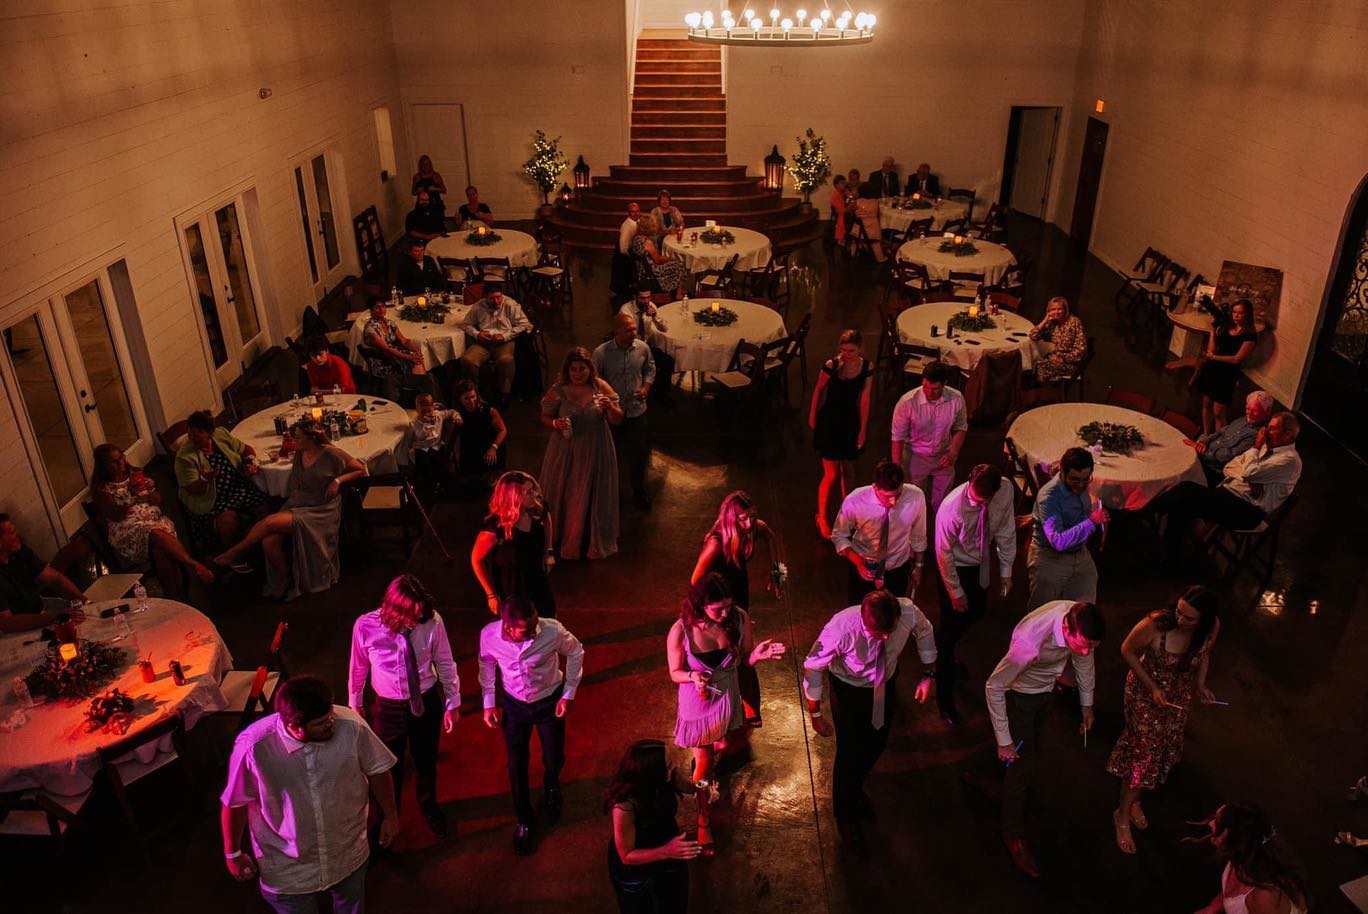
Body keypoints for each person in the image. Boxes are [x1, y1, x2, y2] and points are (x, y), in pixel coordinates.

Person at [222, 675, 398, 913]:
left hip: (347, 849)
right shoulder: (255, 746)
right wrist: (232, 852)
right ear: (293, 726)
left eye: (330, 715)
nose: (332, 722)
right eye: (322, 722)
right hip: (288, 866)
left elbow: (378, 770)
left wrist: (390, 815)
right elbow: (234, 802)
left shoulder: (351, 726)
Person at [803, 589, 937, 857]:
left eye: (890, 631)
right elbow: (813, 664)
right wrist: (815, 714)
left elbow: (925, 630)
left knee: (877, 743)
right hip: (849, 691)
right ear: (864, 620)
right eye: (879, 634)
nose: (886, 638)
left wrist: (929, 673)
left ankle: (853, 788)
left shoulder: (908, 610)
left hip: (884, 685)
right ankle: (846, 815)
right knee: (849, 754)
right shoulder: (841, 627)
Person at [985, 599, 1104, 877]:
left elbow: (1085, 662)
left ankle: (1000, 785)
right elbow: (994, 686)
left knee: (1027, 751)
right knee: (1022, 766)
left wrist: (1087, 704)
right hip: (1019, 698)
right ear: (1066, 628)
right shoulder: (1029, 644)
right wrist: (1004, 740)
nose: (1086, 652)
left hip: (1045, 692)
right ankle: (1012, 833)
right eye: (1083, 644)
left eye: (1093, 647)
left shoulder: (1078, 617)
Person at [667, 574, 785, 853]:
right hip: (698, 702)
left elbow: (743, 660)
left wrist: (756, 656)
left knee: (724, 740)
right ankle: (703, 818)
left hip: (727, 693)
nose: (725, 613)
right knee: (704, 762)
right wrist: (693, 675)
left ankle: (708, 773)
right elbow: (675, 673)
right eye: (717, 609)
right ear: (699, 605)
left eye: (728, 606)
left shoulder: (739, 618)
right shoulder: (680, 631)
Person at [1106, 586, 1221, 854]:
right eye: (1178, 612)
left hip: (1177, 695)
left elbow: (1204, 653)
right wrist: (1152, 687)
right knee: (1142, 754)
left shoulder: (1212, 627)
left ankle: (1134, 801)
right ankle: (1121, 816)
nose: (1180, 620)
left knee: (1161, 749)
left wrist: (1201, 684)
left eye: (1189, 618)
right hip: (1144, 692)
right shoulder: (1156, 624)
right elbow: (1127, 650)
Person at [348, 574, 460, 839]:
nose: (415, 621)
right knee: (387, 767)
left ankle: (429, 806)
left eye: (419, 614)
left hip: (424, 700)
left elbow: (445, 661)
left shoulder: (432, 621)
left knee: (425, 760)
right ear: (393, 608)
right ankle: (387, 817)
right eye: (410, 615)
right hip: (387, 707)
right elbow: (358, 666)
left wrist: (453, 701)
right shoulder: (365, 626)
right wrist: (356, 703)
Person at [213, 418, 367, 600]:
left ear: (312, 438)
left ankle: (235, 553)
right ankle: (284, 579)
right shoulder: (300, 454)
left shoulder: (331, 454)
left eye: (299, 438)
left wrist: (337, 480)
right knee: (269, 542)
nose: (295, 441)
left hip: (320, 509)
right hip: (298, 502)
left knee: (269, 522)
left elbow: (360, 469)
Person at [478, 594, 585, 856]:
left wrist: (568, 692)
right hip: (514, 706)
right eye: (526, 630)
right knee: (516, 763)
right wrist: (489, 701)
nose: (534, 632)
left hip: (549, 701)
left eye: (535, 624)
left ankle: (551, 785)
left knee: (553, 756)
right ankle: (524, 818)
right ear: (507, 627)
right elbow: (487, 662)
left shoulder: (552, 630)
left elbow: (576, 651)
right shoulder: (489, 636)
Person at [690, 490, 784, 726]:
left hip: (739, 593)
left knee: (744, 650)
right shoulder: (716, 541)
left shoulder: (754, 528)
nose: (749, 522)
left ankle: (751, 709)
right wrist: (714, 609)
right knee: (729, 653)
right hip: (719, 598)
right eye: (743, 518)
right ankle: (724, 708)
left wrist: (778, 573)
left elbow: (771, 537)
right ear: (731, 518)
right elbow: (696, 580)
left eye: (752, 516)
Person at [933, 464, 1016, 726]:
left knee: (977, 610)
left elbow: (1005, 529)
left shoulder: (1005, 491)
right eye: (974, 497)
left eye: (983, 500)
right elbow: (943, 553)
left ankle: (944, 646)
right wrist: (955, 592)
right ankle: (944, 696)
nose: (976, 502)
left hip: (980, 564)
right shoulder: (950, 509)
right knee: (948, 632)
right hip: (954, 568)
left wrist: (1006, 570)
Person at [1156, 412, 1301, 560]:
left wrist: (1255, 449)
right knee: (1183, 503)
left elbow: (1248, 471)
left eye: (1272, 428)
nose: (1265, 432)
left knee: (1186, 491)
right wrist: (1249, 478)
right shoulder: (1269, 447)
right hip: (1228, 494)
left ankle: (1151, 510)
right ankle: (1170, 553)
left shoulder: (1288, 460)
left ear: (1288, 434)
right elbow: (1230, 466)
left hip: (1247, 510)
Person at [90, 444, 214, 594]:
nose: (121, 463)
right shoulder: (103, 489)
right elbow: (116, 515)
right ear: (104, 466)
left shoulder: (134, 473)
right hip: (128, 529)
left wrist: (150, 488)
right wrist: (133, 496)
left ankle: (174, 598)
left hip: (152, 518)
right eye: (114, 462)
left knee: (159, 551)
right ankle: (194, 564)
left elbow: (158, 500)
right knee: (154, 533)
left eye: (121, 458)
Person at [540, 347, 623, 560]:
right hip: (566, 450)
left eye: (582, 369)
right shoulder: (559, 389)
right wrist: (556, 423)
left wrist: (610, 409)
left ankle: (589, 539)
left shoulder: (599, 387)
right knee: (568, 492)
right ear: (567, 371)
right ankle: (565, 535)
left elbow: (618, 419)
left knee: (593, 492)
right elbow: (545, 416)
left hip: (596, 448)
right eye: (574, 369)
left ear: (590, 369)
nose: (578, 374)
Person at [604, 739, 701, 914]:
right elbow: (626, 855)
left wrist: (703, 788)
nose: (675, 766)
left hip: (668, 848)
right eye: (670, 764)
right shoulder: (624, 805)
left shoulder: (667, 775)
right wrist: (667, 851)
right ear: (652, 772)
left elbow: (688, 785)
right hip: (638, 866)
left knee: (674, 904)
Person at [832, 459, 928, 606]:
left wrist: (919, 566)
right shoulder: (856, 500)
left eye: (898, 494)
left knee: (894, 616)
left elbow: (918, 535)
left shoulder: (916, 496)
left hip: (897, 567)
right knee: (859, 614)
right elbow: (839, 535)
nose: (893, 502)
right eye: (887, 496)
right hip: (865, 566)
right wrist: (858, 562)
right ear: (875, 488)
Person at [810, 329, 874, 537]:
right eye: (844, 349)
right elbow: (818, 390)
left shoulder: (866, 367)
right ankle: (822, 516)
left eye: (851, 350)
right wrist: (812, 416)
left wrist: (863, 430)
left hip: (850, 422)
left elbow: (865, 400)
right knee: (831, 474)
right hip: (830, 420)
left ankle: (848, 515)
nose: (847, 354)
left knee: (848, 472)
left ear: (860, 349)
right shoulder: (832, 365)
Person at [174, 409, 268, 550]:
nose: (193, 439)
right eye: (190, 435)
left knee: (264, 508)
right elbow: (194, 490)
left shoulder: (221, 435)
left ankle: (261, 547)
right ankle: (235, 556)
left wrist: (250, 462)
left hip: (237, 488)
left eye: (198, 435)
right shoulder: (184, 457)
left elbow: (245, 449)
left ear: (209, 432)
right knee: (228, 521)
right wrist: (205, 479)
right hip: (211, 501)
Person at [1190, 804, 1309, 914]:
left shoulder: (1264, 896)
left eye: (1218, 822)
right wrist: (1210, 909)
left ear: (1232, 837)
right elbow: (1231, 893)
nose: (1211, 823)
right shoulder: (1240, 859)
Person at [1027, 446, 1106, 610]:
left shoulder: (1079, 483)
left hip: (1079, 554)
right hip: (1050, 557)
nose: (1080, 485)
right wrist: (1091, 522)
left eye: (1085, 479)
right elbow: (1058, 541)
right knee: (1042, 613)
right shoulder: (1049, 497)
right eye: (1075, 479)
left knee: (1084, 611)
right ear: (1062, 472)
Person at [471, 471, 557, 619]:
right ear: (513, 497)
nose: (534, 495)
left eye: (533, 490)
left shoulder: (535, 508)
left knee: (549, 618)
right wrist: (491, 594)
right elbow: (476, 559)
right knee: (522, 628)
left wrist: (548, 551)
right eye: (529, 492)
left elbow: (547, 517)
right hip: (513, 586)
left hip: (537, 576)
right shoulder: (496, 527)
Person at [593, 313, 656, 509]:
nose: (633, 333)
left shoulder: (642, 348)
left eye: (634, 329)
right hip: (613, 413)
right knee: (610, 454)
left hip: (637, 411)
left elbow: (650, 369)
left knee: (639, 453)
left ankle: (639, 491)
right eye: (627, 330)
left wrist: (645, 388)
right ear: (616, 332)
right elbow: (594, 381)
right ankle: (609, 493)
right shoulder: (601, 353)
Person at [890, 360, 968, 514]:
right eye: (926, 387)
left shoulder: (956, 399)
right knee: (913, 503)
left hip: (944, 455)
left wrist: (953, 452)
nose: (929, 393)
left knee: (943, 503)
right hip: (915, 458)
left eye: (935, 389)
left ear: (944, 384)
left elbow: (961, 427)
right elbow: (897, 438)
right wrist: (896, 470)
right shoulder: (907, 403)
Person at [0, 515, 87, 633]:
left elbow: (55, 579)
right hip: (16, 630)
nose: (17, 535)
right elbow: (8, 623)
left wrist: (84, 601)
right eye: (12, 533)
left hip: (42, 609)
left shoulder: (19, 551)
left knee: (85, 617)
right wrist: (55, 618)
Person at [1192, 299, 1260, 435]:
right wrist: (1212, 330)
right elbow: (1212, 349)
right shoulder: (1226, 327)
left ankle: (1219, 440)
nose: (1236, 315)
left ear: (1247, 315)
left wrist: (1214, 357)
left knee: (1218, 412)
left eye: (1240, 313)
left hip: (1227, 374)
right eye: (1234, 312)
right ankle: (1206, 434)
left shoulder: (1250, 335)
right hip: (1212, 369)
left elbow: (1237, 359)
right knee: (1206, 403)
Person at [459, 288, 531, 408]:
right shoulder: (478, 306)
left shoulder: (510, 304)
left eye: (499, 297)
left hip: (504, 341)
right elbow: (465, 324)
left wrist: (504, 336)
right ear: (485, 297)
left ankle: (504, 394)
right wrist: (477, 334)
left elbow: (524, 324)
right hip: (484, 342)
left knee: (506, 360)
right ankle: (476, 392)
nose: (496, 301)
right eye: (492, 298)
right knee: (467, 361)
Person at [1187, 390, 1275, 485]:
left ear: (1267, 411)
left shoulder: (1257, 435)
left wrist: (1202, 450)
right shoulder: (1243, 420)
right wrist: (1204, 442)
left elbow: (1227, 456)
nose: (1249, 413)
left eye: (1255, 411)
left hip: (1210, 469)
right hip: (1202, 454)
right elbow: (1221, 431)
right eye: (1247, 409)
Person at [362, 297, 433, 402]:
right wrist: (408, 357)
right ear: (371, 310)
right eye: (377, 307)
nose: (381, 310)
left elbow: (404, 341)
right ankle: (416, 395)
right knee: (413, 362)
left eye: (383, 306)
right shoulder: (370, 328)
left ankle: (419, 395)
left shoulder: (389, 323)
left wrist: (416, 352)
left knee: (418, 359)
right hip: (383, 360)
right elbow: (386, 348)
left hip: (395, 354)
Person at [620, 288, 677, 402]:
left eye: (648, 297)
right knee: (642, 366)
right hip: (629, 348)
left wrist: (655, 316)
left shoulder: (651, 306)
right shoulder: (626, 311)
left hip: (645, 347)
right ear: (635, 297)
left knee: (668, 361)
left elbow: (664, 329)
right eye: (642, 298)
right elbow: (626, 336)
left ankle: (660, 393)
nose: (646, 301)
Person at [451, 379, 507, 485]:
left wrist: (493, 447)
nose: (471, 401)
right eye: (466, 398)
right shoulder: (458, 412)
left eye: (473, 397)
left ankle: (493, 472)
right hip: (471, 444)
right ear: (459, 399)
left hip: (488, 444)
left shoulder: (488, 410)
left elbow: (503, 430)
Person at [407, 393, 457, 503]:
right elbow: (421, 436)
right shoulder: (417, 422)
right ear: (417, 410)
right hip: (422, 448)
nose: (427, 414)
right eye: (422, 412)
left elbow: (450, 412)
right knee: (423, 466)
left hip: (436, 445)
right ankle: (426, 489)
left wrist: (457, 417)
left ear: (433, 408)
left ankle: (441, 484)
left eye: (429, 410)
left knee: (441, 462)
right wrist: (426, 424)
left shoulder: (438, 415)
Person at [1027, 296, 1088, 385]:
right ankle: (1042, 392)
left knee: (1039, 367)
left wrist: (1063, 359)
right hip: (1054, 359)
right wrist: (1045, 320)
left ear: (1065, 309)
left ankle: (1046, 393)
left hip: (1070, 364)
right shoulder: (1053, 324)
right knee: (1031, 364)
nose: (1056, 312)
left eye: (1059, 309)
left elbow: (1081, 350)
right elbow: (1033, 336)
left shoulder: (1074, 322)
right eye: (1053, 309)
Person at [629, 215, 688, 299]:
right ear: (648, 227)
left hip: (641, 270)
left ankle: (680, 289)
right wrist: (671, 259)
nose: (655, 227)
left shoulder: (636, 238)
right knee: (679, 264)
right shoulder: (647, 242)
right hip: (650, 272)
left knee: (675, 262)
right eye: (654, 225)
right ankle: (679, 293)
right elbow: (658, 260)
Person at [853, 182, 887, 261]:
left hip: (860, 230)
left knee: (854, 240)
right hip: (873, 230)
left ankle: (854, 252)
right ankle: (880, 258)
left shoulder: (857, 202)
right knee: (876, 244)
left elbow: (855, 214)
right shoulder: (875, 202)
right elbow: (878, 214)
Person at [829, 175, 851, 244]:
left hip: (847, 214)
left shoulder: (844, 193)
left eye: (845, 183)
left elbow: (852, 199)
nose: (844, 185)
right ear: (836, 185)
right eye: (842, 183)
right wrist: (850, 207)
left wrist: (850, 196)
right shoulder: (835, 195)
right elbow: (840, 211)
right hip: (841, 217)